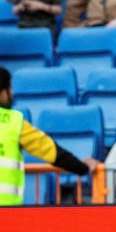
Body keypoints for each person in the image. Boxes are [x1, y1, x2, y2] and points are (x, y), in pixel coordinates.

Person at [0, 67, 97, 205]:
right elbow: (51, 151)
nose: (12, 94)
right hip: (5, 213)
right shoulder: (13, 122)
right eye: (10, 89)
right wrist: (83, 167)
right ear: (3, 93)